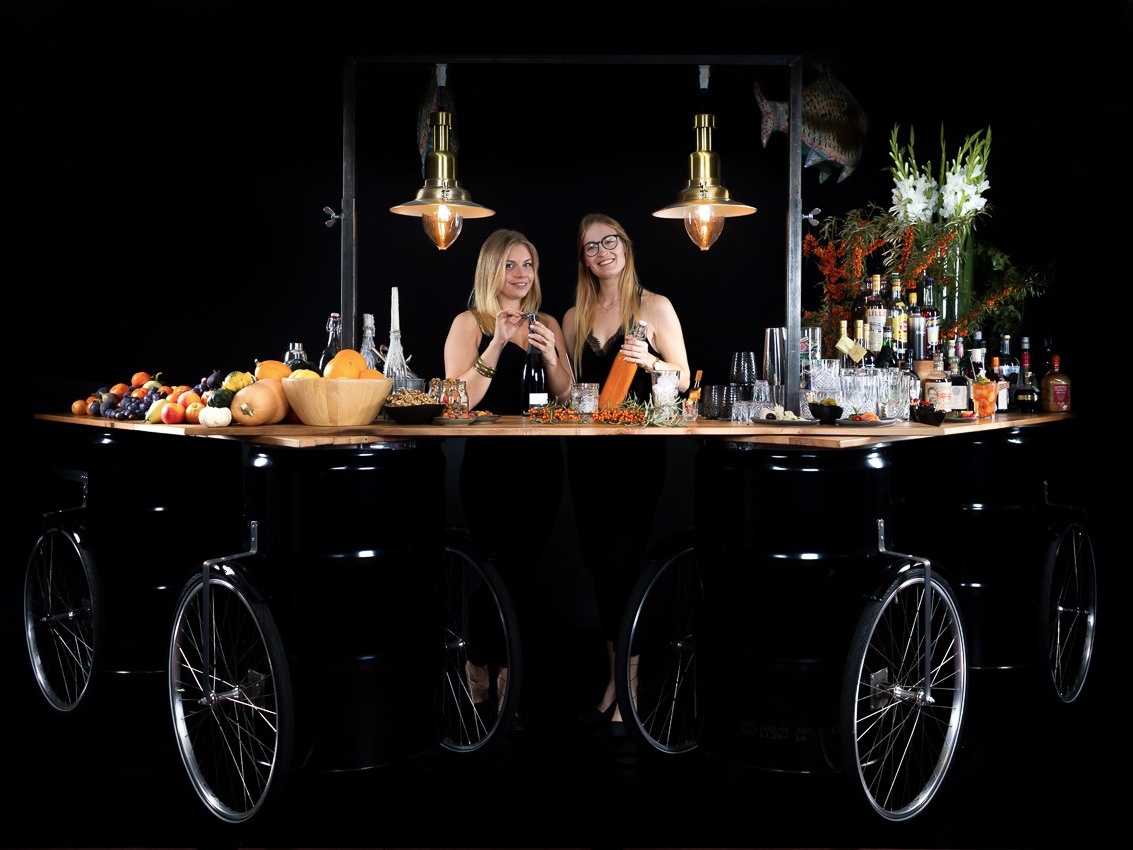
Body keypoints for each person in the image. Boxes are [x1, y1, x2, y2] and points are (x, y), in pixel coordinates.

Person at [561, 213, 691, 731]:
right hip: (585, 456)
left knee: (622, 563)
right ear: (583, 258)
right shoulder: (574, 316)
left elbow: (684, 377)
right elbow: (569, 389)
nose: (602, 252)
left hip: (636, 456)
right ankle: (617, 678)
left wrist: (653, 361)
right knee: (598, 565)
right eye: (590, 247)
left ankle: (631, 683)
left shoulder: (654, 306)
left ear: (626, 245)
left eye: (609, 241)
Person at [443, 228, 573, 724]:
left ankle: (504, 676)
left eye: (528, 265)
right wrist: (497, 342)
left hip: (541, 465)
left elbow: (566, 394)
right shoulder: (469, 324)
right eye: (511, 265)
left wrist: (552, 355)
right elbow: (460, 400)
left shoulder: (547, 322)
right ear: (491, 270)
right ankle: (481, 663)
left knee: (524, 570)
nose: (522, 274)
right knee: (495, 567)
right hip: (490, 466)